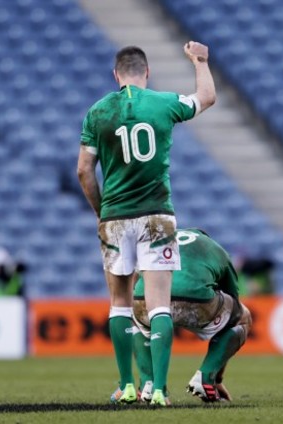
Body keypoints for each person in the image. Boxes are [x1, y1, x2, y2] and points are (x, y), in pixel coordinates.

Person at [77, 42, 216, 406]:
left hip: (116, 217)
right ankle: (158, 390)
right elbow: (207, 96)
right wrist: (199, 61)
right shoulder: (163, 102)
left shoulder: (97, 112)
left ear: (116, 75)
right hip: (156, 214)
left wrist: (100, 210)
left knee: (120, 304)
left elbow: (83, 170)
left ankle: (126, 385)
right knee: (158, 307)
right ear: (147, 72)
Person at [132, 229, 252, 403]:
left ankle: (147, 384)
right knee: (242, 317)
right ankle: (206, 377)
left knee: (136, 317)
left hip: (147, 298)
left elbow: (136, 279)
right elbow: (233, 301)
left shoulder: (162, 239)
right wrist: (217, 377)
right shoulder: (216, 249)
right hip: (195, 298)